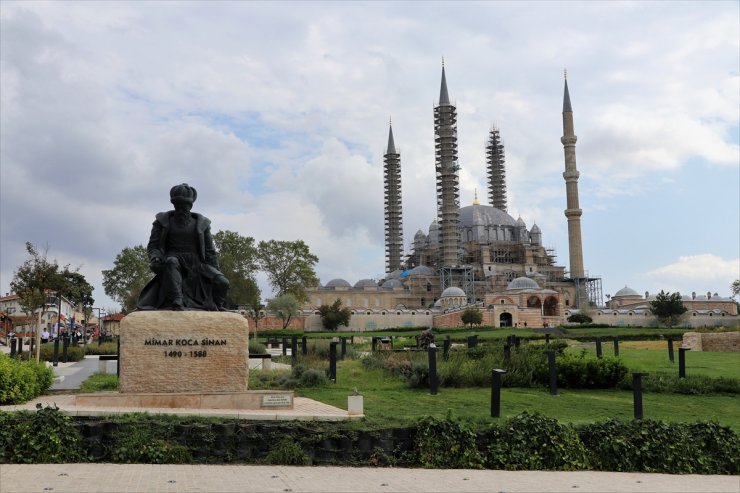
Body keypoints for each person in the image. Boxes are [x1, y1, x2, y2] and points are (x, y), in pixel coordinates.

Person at [137, 183, 229, 311]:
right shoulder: (162, 221)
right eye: (177, 206)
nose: (180, 210)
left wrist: (216, 271)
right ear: (174, 205)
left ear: (190, 206)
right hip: (173, 258)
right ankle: (177, 300)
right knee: (171, 261)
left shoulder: (202, 224)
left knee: (223, 282)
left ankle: (217, 306)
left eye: (184, 207)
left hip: (197, 263)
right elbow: (153, 246)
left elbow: (210, 252)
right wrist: (155, 257)